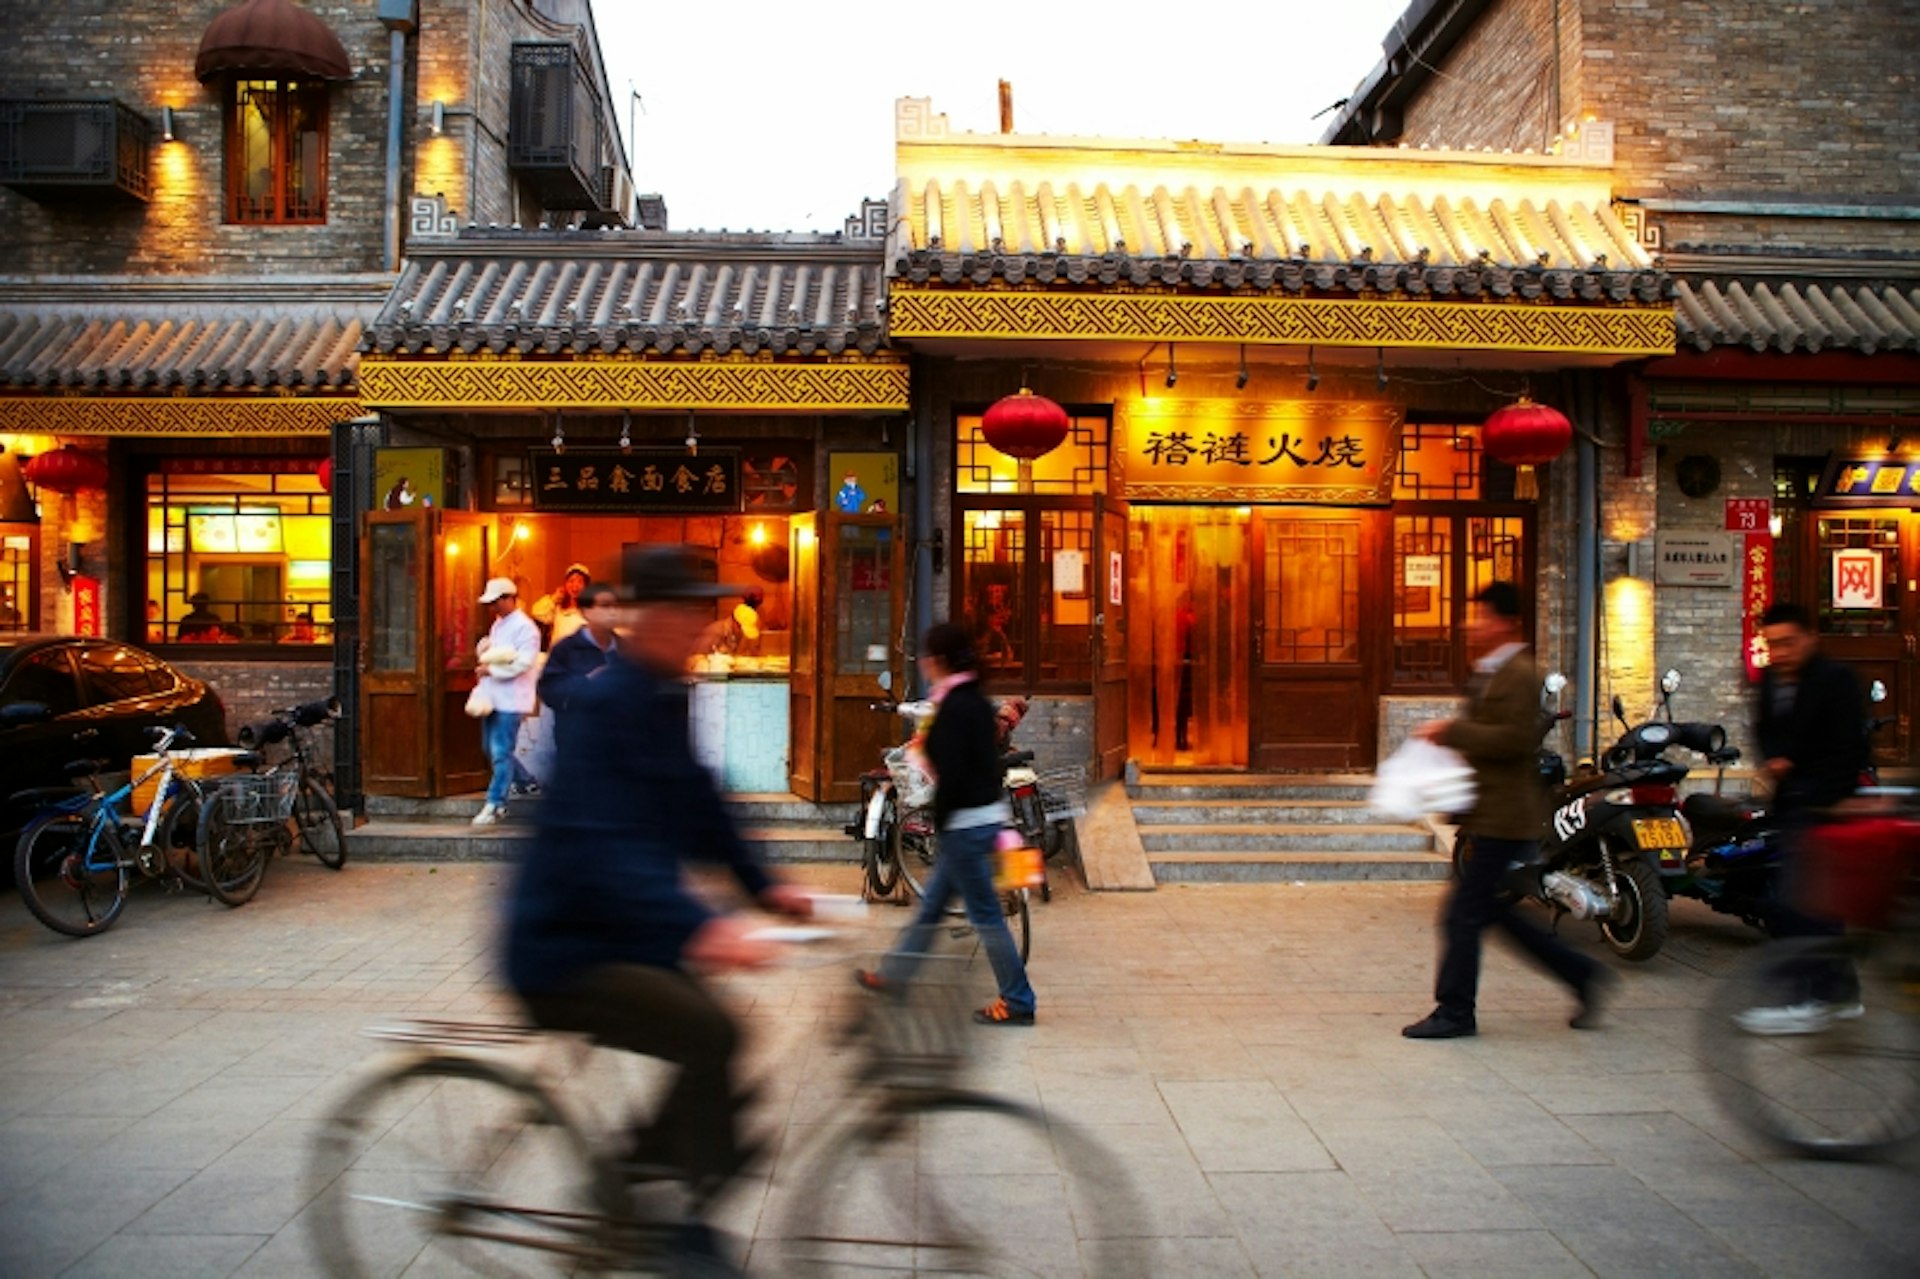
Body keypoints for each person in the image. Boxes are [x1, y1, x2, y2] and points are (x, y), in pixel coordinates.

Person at [503, 545, 812, 1253]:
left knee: (716, 1035)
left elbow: (701, 804)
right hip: (565, 941)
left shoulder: (663, 694)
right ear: (658, 618)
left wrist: (772, 889)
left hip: (617, 930)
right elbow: (603, 840)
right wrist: (701, 925)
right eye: (694, 614)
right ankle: (673, 1224)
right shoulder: (612, 699)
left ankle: (641, 1182)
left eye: (707, 614)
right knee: (709, 1032)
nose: (705, 629)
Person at [1403, 581, 1608, 1040]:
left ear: (1504, 622)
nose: (1470, 624)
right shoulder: (1490, 669)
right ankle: (1581, 975)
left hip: (1505, 815)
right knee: (1492, 913)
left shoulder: (1520, 673)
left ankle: (1455, 1011)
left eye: (1480, 616)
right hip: (1486, 811)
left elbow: (1515, 740)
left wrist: (1450, 731)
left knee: (1462, 915)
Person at [860, 622, 1039, 1026]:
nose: (923, 663)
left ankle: (1019, 1000)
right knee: (931, 911)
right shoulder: (970, 700)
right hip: (975, 823)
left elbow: (956, 773)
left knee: (986, 918)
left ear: (938, 661)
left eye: (926, 656)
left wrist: (940, 811)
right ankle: (895, 976)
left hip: (968, 829)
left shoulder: (956, 706)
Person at [1736, 601, 1869, 1035]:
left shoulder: (1836, 682)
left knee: (1794, 902)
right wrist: (1777, 759)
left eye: (1789, 642)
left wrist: (1819, 788)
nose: (1781, 652)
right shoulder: (1770, 679)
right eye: (1772, 645)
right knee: (1816, 904)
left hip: (1829, 806)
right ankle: (1842, 994)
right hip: (1792, 804)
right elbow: (1764, 729)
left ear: (1811, 638)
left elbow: (1849, 749)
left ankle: (1808, 997)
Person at [472, 577, 542, 825]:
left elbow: (524, 663)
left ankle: (495, 803)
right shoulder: (499, 624)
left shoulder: (526, 628)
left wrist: (492, 671)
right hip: (494, 696)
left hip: (512, 698)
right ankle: (526, 782)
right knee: (491, 749)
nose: (494, 607)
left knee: (500, 751)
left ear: (510, 598)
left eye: (497, 601)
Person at [536, 580, 620, 746]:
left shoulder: (626, 650)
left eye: (615, 606)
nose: (611, 612)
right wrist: (586, 681)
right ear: (585, 612)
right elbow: (548, 690)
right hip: (577, 746)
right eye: (604, 606)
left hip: (617, 746)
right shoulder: (566, 649)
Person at [532, 562, 592, 646]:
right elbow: (537, 613)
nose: (575, 586)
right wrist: (554, 598)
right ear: (565, 585)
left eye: (580, 581)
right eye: (571, 581)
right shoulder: (558, 607)